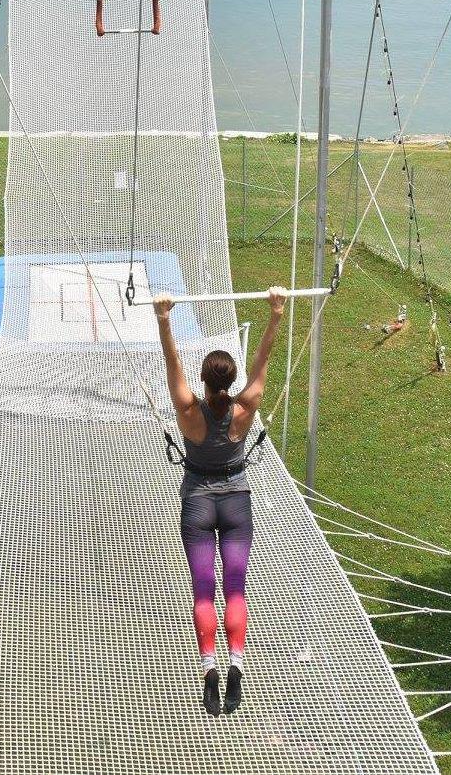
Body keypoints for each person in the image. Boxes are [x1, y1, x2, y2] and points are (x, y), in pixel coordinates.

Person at [153, 287, 287, 716]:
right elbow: (262, 363)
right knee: (235, 589)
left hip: (197, 500)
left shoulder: (188, 408)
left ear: (205, 379)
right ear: (230, 381)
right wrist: (276, 313)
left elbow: (172, 364)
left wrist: (164, 319)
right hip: (236, 503)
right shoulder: (246, 407)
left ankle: (208, 667)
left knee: (203, 592)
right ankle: (236, 663)